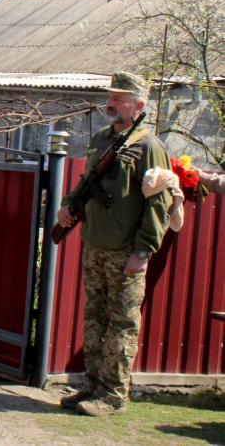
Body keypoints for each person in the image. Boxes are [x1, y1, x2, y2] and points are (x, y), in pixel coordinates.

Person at [56, 72, 172, 417]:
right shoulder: (102, 139)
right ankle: (92, 386)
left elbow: (159, 203)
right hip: (95, 245)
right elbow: (86, 181)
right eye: (110, 98)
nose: (110, 104)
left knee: (122, 324)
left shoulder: (149, 147)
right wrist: (68, 205)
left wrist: (143, 250)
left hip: (125, 252)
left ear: (138, 105)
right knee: (94, 320)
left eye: (119, 99)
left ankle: (113, 395)